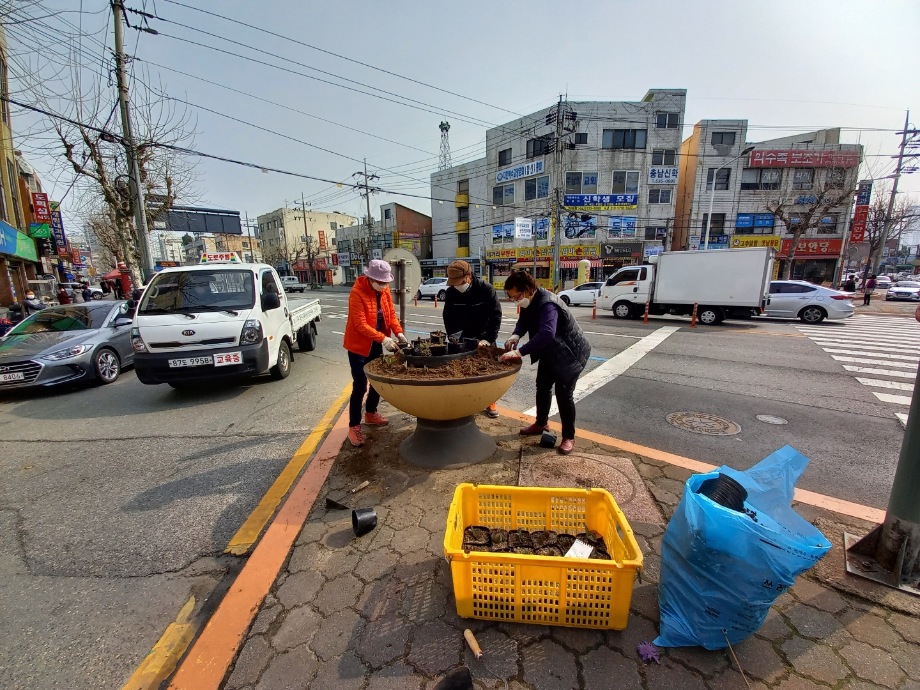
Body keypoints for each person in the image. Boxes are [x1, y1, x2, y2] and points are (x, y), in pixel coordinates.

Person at [499, 270, 591, 455]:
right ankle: (541, 423)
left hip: (570, 355)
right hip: (551, 352)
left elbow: (547, 333)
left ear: (527, 290)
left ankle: (568, 436)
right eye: (511, 298)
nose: (515, 300)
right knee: (542, 386)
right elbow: (523, 320)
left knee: (564, 395)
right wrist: (516, 334)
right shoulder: (529, 301)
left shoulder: (547, 304)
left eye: (516, 296)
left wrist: (520, 352)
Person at [343, 259, 408, 447]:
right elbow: (360, 324)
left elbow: (391, 316)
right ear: (370, 278)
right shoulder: (357, 293)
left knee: (378, 381)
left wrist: (399, 333)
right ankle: (354, 426)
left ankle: (371, 413)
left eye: (386, 282)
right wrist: (384, 339)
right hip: (358, 346)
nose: (383, 285)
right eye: (380, 282)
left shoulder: (384, 290)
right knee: (360, 385)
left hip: (375, 343)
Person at [442, 260, 503, 418]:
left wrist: (489, 339)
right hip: (463, 337)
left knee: (488, 370)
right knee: (464, 370)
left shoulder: (485, 289)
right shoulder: (451, 293)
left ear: (469, 276)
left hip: (484, 336)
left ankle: (490, 402)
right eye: (453, 283)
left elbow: (495, 316)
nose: (457, 286)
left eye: (459, 282)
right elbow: (448, 316)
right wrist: (452, 335)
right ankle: (467, 402)